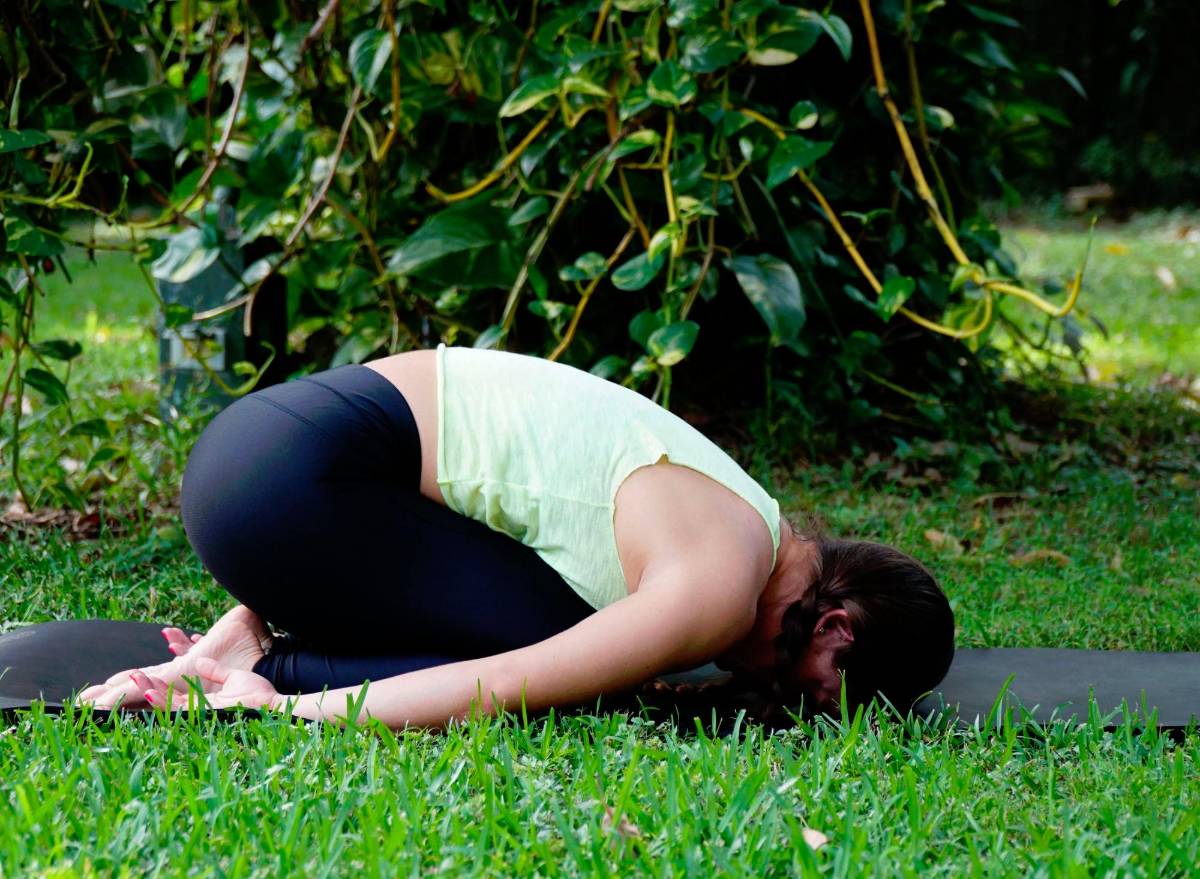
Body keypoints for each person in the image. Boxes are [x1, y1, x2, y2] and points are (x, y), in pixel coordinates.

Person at [80, 344, 955, 728]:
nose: (778, 692)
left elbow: (464, 529)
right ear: (835, 625)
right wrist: (289, 713)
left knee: (576, 632)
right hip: (291, 486)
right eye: (812, 692)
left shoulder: (745, 515)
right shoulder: (720, 582)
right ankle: (271, 671)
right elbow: (508, 685)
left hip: (260, 457)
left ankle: (252, 638)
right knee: (578, 666)